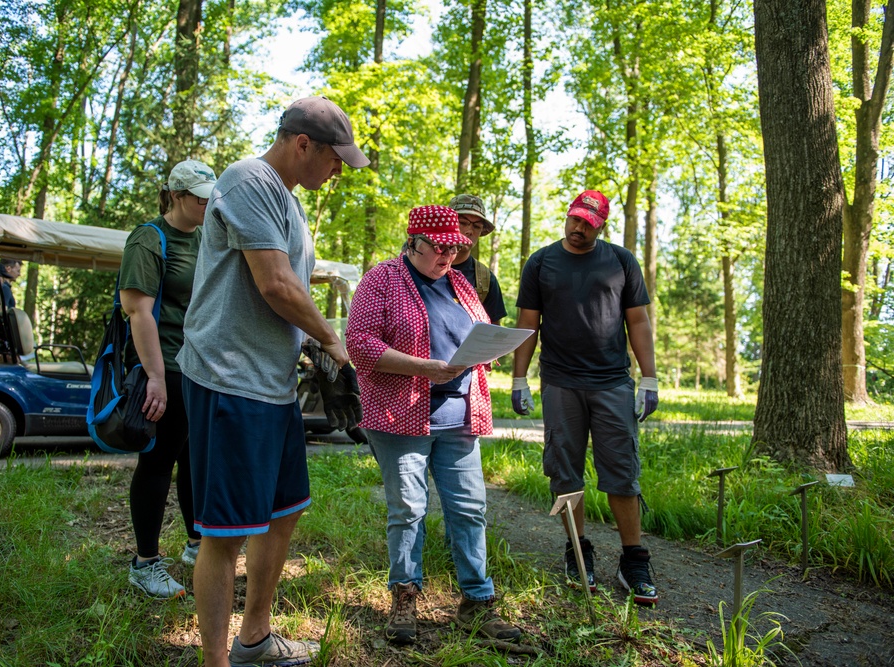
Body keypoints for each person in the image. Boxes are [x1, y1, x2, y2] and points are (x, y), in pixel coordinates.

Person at [176, 96, 369, 667]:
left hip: (272, 384)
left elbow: (292, 301)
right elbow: (277, 286)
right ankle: (216, 661)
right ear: (302, 143)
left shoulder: (289, 203)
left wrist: (315, 352)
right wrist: (335, 340)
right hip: (228, 379)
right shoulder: (246, 180)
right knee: (224, 532)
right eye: (335, 160)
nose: (338, 172)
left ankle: (255, 639)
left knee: (284, 513)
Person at [346, 204, 522, 645]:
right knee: (408, 509)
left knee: (469, 509)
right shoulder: (381, 279)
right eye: (440, 248)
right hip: (399, 415)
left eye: (455, 248)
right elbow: (360, 345)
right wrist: (421, 367)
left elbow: (481, 331)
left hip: (459, 414)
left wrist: (491, 346)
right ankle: (405, 596)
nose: (448, 257)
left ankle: (477, 603)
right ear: (414, 242)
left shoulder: (461, 283)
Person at [511, 189, 660, 606]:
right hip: (560, 382)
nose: (578, 229)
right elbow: (528, 324)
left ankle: (633, 559)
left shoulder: (620, 261)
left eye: (588, 225)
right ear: (567, 216)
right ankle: (579, 553)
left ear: (602, 226)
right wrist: (519, 379)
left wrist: (649, 378)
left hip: (612, 382)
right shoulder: (541, 262)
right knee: (565, 472)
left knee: (621, 471)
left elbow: (638, 321)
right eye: (575, 220)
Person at [121, 159, 214, 599]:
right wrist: (155, 377)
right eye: (200, 197)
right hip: (167, 368)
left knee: (194, 459)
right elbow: (138, 311)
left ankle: (196, 544)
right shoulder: (149, 238)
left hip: (201, 369)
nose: (207, 204)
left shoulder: (208, 238)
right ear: (176, 195)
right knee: (158, 461)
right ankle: (145, 563)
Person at [448, 194, 508, 325]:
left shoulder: (485, 279)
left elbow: (493, 332)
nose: (469, 231)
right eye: (463, 223)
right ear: (448, 224)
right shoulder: (422, 265)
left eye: (476, 226)